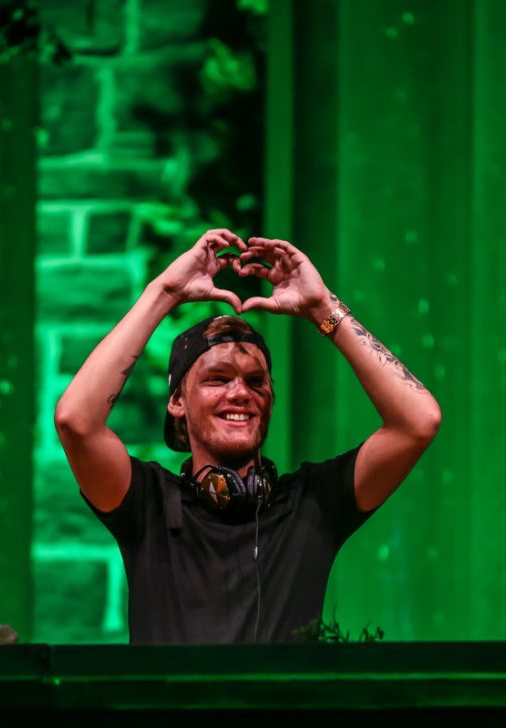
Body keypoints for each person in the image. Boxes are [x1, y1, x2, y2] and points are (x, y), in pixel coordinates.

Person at [54, 229, 441, 643]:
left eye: (255, 381)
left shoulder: (312, 503)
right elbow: (76, 421)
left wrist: (322, 308)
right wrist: (164, 293)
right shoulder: (147, 503)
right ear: (177, 402)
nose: (240, 393)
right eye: (217, 379)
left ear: (271, 399)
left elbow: (418, 421)